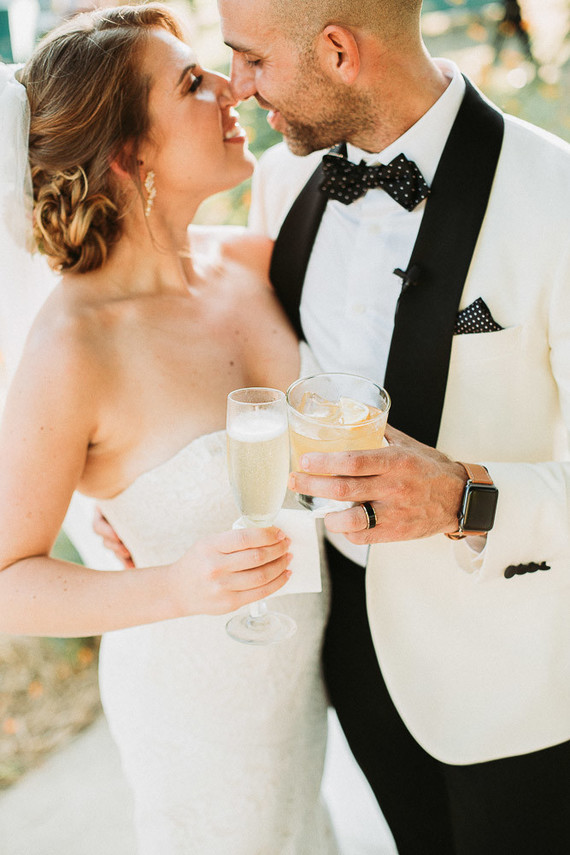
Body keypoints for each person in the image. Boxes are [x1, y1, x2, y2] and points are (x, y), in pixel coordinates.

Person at [213, 0, 570, 852]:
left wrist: (463, 496)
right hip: (352, 655)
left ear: (339, 53)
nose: (238, 86)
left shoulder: (556, 200)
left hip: (514, 679)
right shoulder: (284, 182)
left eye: (252, 59)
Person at [0, 6, 338, 853]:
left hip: (305, 694)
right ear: (128, 153)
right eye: (191, 83)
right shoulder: (74, 348)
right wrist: (176, 586)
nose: (230, 87)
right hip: (196, 716)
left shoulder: (252, 263)